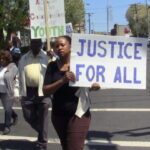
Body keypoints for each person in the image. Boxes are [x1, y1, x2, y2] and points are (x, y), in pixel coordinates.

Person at [43, 35, 100, 150]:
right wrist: (62, 80)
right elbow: (45, 91)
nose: (59, 48)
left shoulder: (81, 64)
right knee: (66, 146)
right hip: (58, 115)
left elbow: (87, 84)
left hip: (78, 114)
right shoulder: (52, 66)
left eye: (62, 45)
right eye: (56, 46)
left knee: (74, 147)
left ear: (70, 47)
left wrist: (93, 86)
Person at [14, 39, 50, 150]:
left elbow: (58, 66)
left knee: (43, 115)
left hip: (43, 92)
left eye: (37, 43)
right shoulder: (23, 58)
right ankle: (42, 132)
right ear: (30, 44)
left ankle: (42, 143)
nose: (35, 45)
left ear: (41, 44)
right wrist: (16, 92)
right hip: (27, 91)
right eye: (33, 43)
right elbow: (18, 77)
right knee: (28, 116)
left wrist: (53, 57)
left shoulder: (47, 57)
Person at [0, 50, 18, 135]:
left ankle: (7, 126)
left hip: (8, 91)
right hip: (0, 90)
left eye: (3, 59)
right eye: (0, 58)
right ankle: (14, 115)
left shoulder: (13, 67)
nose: (1, 60)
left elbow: (16, 79)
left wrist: (16, 94)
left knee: (7, 109)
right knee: (6, 108)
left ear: (7, 59)